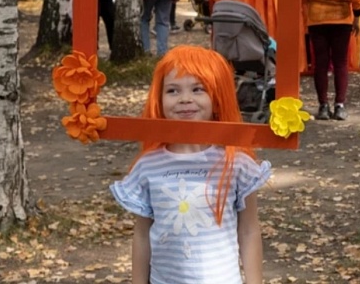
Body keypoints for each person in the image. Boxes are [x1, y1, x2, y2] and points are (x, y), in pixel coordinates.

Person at [110, 45, 270, 284]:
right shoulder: (149, 166)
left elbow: (248, 231)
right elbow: (142, 234)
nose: (185, 99)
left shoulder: (237, 164)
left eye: (198, 89)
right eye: (173, 90)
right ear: (159, 98)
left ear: (217, 98)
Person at [301, 0, 360, 121]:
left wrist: (308, 16)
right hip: (341, 22)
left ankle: (322, 106)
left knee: (320, 64)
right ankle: (340, 106)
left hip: (317, 22)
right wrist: (356, 18)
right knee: (340, 63)